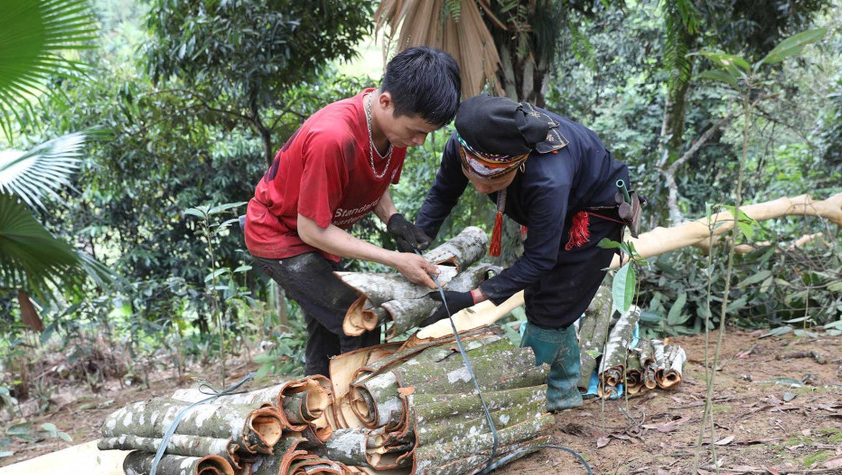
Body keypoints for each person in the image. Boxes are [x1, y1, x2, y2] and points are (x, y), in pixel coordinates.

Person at [243, 47, 461, 377]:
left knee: (328, 328)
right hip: (279, 235)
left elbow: (372, 175)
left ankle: (317, 396)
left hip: (318, 234)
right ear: (385, 102)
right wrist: (395, 259)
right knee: (358, 318)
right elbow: (311, 230)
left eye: (427, 134)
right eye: (416, 131)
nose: (419, 141)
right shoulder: (333, 138)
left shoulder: (393, 132)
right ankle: (359, 400)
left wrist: (393, 218)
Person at [416, 94, 638, 411]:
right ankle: (562, 388)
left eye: (494, 180)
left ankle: (539, 398)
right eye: (475, 175)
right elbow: (443, 193)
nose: (481, 188)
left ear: (519, 163)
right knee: (544, 297)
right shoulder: (464, 141)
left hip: (593, 211)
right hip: (557, 200)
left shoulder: (548, 177)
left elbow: (539, 260)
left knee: (552, 304)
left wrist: (471, 297)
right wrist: (417, 242)